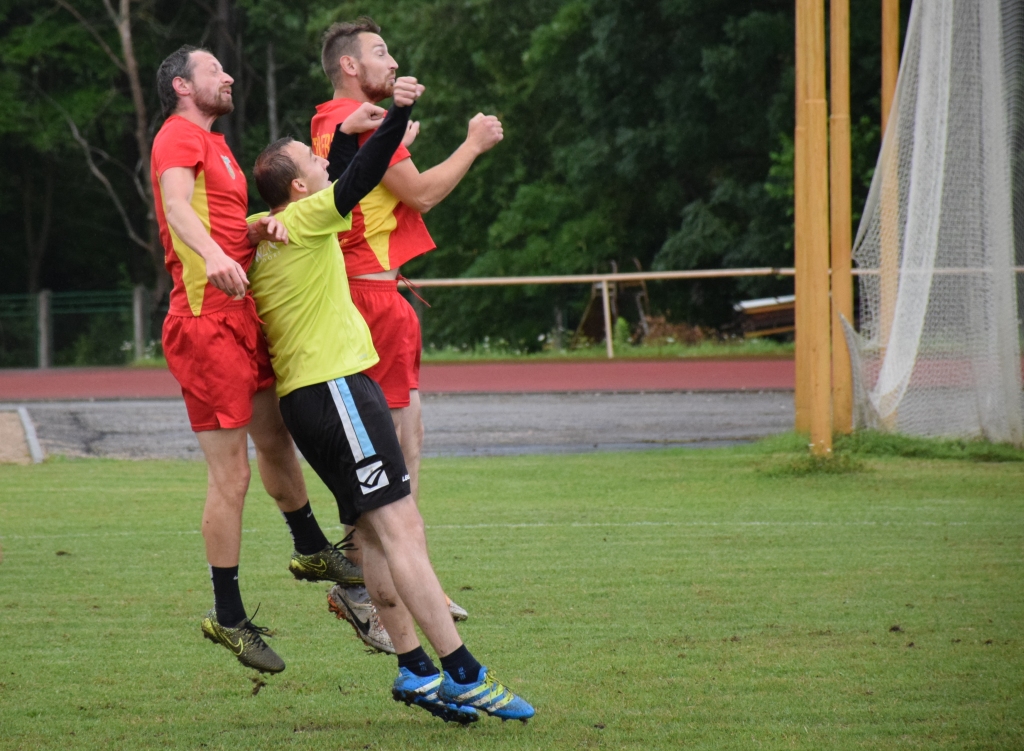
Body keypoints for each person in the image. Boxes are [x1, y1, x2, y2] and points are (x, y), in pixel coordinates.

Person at [246, 78, 535, 723]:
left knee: (374, 536)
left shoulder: (265, 231)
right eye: (312, 159)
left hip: (309, 402)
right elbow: (358, 179)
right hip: (339, 391)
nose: (323, 162)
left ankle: (413, 670)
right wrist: (398, 114)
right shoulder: (306, 219)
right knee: (404, 527)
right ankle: (464, 673)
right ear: (298, 188)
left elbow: (346, 175)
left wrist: (352, 138)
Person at [151, 46, 363, 675]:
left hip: (240, 314)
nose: (230, 76)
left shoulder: (214, 145)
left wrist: (254, 227)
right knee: (232, 476)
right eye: (216, 70)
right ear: (185, 85)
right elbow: (177, 207)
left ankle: (309, 547)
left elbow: (215, 215)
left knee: (277, 439)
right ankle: (228, 614)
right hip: (204, 322)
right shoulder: (177, 137)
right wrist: (214, 256)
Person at [311, 15, 503, 637]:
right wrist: (472, 143)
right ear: (348, 66)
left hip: (382, 299)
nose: (392, 62)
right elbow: (420, 193)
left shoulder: (351, 123)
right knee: (397, 462)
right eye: (380, 52)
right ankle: (386, 608)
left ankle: (382, 585)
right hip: (368, 301)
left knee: (402, 449)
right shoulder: (352, 123)